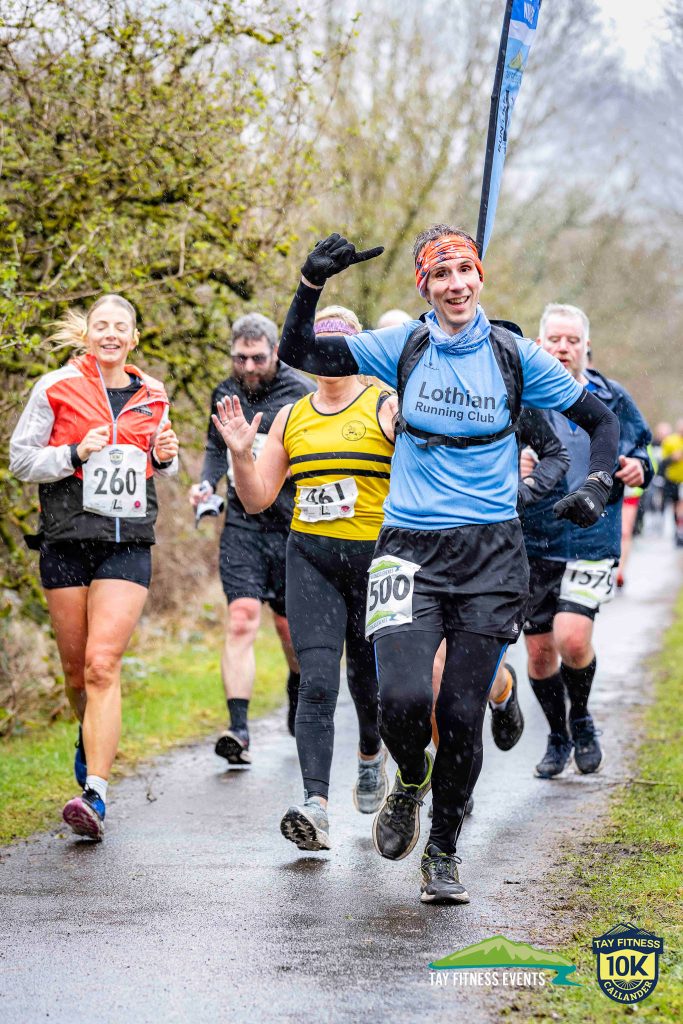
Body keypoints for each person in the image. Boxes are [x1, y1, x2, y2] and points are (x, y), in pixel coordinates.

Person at [277, 229, 619, 905]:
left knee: (460, 713)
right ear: (424, 286)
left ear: (480, 277)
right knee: (403, 701)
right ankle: (411, 778)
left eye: (465, 269)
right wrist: (311, 284)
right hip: (407, 548)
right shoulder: (403, 347)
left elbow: (600, 422)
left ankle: (443, 849)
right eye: (441, 274)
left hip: (491, 554)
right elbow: (300, 351)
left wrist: (597, 484)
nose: (456, 283)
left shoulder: (515, 356)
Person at [212, 305, 396, 852]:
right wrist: (241, 455)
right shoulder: (291, 417)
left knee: (367, 680)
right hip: (312, 560)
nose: (332, 355)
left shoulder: (384, 405)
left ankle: (371, 754)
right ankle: (316, 806)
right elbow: (257, 498)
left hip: (375, 562)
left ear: (359, 350)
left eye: (343, 343)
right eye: (324, 343)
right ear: (311, 351)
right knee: (317, 681)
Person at [9, 294, 179, 840]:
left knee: (102, 665)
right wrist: (74, 454)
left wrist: (165, 455)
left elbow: (163, 466)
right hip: (66, 540)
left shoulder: (153, 393)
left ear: (133, 337)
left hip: (126, 542)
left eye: (120, 326)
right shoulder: (54, 387)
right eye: (100, 325)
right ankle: (89, 738)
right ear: (87, 336)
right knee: (76, 672)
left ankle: (96, 794)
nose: (110, 333)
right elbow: (19, 459)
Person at [521, 303, 652, 778]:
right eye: (555, 339)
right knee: (539, 654)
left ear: (586, 346)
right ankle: (558, 735)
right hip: (535, 538)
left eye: (572, 340)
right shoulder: (522, 397)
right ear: (540, 344)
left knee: (572, 639)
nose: (563, 348)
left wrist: (638, 467)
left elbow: (642, 451)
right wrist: (515, 465)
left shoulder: (612, 398)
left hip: (592, 535)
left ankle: (581, 718)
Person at [189, 313, 314, 765]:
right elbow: (214, 448)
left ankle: (297, 686)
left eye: (257, 358)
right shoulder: (225, 393)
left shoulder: (300, 393)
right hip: (243, 527)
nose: (248, 367)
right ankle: (238, 730)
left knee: (288, 628)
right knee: (241, 619)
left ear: (275, 352)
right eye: (240, 358)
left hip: (291, 525)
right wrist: (207, 483)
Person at [430, 403, 571, 792]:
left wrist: (524, 489)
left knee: (470, 674)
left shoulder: (511, 399)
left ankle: (503, 689)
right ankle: (451, 777)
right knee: (438, 672)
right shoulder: (422, 392)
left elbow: (557, 455)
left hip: (497, 550)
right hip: (432, 544)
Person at [660, 419, 683, 547]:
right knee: (675, 506)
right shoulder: (670, 441)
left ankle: (680, 531)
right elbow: (662, 462)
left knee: (681, 506)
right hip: (673, 480)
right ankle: (677, 531)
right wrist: (672, 458)